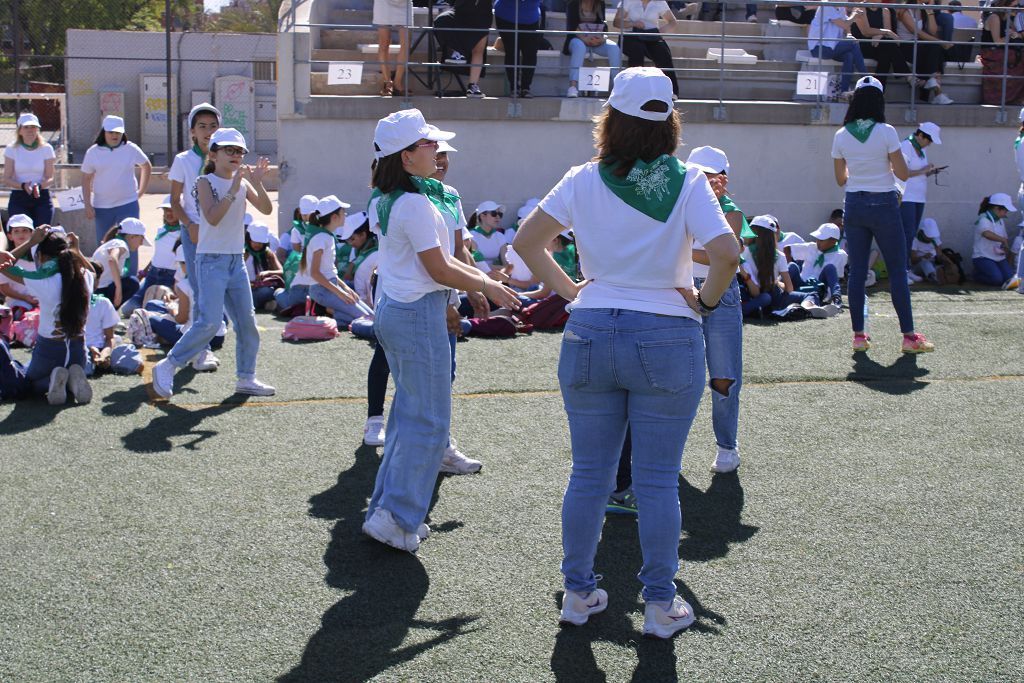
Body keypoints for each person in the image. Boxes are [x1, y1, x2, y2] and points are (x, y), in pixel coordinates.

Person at [513, 68, 740, 638]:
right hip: (667, 333)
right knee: (658, 480)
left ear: (610, 118)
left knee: (588, 474)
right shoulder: (688, 181)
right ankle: (660, 606)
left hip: (589, 330)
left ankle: (578, 593)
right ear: (670, 122)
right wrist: (705, 305)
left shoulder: (580, 179)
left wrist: (571, 292)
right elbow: (728, 254)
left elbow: (525, 243)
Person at [362, 109, 519, 553]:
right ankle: (396, 517)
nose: (437, 149)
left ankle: (389, 512)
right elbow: (440, 266)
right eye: (428, 143)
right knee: (428, 421)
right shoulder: (413, 201)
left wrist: (478, 285)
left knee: (409, 417)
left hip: (399, 309)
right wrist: (487, 283)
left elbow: (439, 261)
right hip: (415, 313)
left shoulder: (397, 196)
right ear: (406, 156)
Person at [151, 128, 275, 400]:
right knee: (208, 322)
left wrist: (257, 182)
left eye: (239, 151)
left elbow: (266, 209)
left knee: (247, 323)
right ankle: (168, 364)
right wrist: (234, 188)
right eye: (229, 150)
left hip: (235, 260)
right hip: (211, 261)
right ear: (214, 154)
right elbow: (212, 217)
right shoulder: (204, 182)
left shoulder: (241, 183)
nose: (236, 156)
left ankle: (246, 377)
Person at [832, 75, 933, 353]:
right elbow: (902, 173)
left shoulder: (841, 135)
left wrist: (860, 168)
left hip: (854, 204)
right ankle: (909, 337)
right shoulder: (887, 131)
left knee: (857, 273)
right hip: (885, 204)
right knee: (898, 270)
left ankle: (859, 336)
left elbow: (841, 178)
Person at [684, 144, 750, 475]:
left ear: (723, 178)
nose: (704, 180)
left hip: (722, 294)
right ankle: (668, 447)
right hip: (681, 292)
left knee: (723, 375)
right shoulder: (678, 202)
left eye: (711, 175)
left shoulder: (731, 211)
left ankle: (727, 446)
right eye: (698, 174)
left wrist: (682, 253)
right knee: (678, 375)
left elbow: (721, 257)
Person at [0, 227, 93, 405]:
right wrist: (77, 250)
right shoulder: (85, 276)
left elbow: (2, 264)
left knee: (28, 383)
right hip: (78, 351)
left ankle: (54, 381)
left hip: (50, 350)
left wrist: (31, 242)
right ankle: (72, 380)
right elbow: (93, 272)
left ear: (41, 256)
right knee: (65, 367)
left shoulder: (41, 279)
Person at [168, 103, 221, 371]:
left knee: (217, 292)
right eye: (202, 126)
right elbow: (174, 199)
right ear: (192, 132)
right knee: (200, 292)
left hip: (221, 235)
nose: (208, 131)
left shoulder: (225, 158)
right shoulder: (183, 161)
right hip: (195, 234)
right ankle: (202, 350)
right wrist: (189, 224)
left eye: (213, 126)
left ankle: (206, 338)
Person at [81, 114, 152, 273]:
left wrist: (141, 191)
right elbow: (86, 179)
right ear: (104, 132)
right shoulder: (93, 152)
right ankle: (106, 280)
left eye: (118, 133)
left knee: (131, 243)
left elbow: (146, 166)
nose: (114, 136)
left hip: (127, 205)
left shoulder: (131, 149)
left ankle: (131, 278)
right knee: (105, 245)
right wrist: (87, 204)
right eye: (111, 132)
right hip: (102, 207)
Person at [300, 195, 374, 326]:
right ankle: (327, 312)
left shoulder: (325, 235)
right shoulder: (321, 238)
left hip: (331, 286)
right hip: (322, 289)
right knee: (366, 319)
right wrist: (340, 293)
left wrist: (345, 287)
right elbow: (315, 273)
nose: (345, 215)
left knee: (370, 316)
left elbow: (329, 271)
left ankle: (330, 314)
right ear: (334, 217)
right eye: (343, 212)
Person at [741, 214, 815, 314]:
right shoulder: (780, 255)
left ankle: (751, 310)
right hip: (776, 298)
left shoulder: (743, 252)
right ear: (773, 235)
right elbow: (789, 289)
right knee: (811, 294)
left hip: (752, 296)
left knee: (765, 298)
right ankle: (806, 308)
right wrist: (777, 283)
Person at [121, 195, 181, 316]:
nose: (168, 213)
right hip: (152, 275)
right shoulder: (161, 230)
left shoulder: (184, 233)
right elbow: (157, 255)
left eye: (172, 210)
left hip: (171, 277)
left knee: (158, 311)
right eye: (165, 210)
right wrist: (143, 273)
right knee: (128, 309)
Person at [899, 122, 943, 279]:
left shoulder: (921, 150)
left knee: (910, 234)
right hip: (907, 197)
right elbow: (902, 172)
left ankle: (906, 269)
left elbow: (919, 173)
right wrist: (924, 170)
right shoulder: (906, 146)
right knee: (906, 234)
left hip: (918, 197)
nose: (930, 144)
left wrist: (929, 172)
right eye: (929, 140)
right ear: (920, 135)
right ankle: (901, 271)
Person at [614, 0, 680, 96]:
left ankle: (671, 92)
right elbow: (616, 22)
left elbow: (672, 22)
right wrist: (634, 24)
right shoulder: (628, 1)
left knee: (664, 53)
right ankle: (634, 90)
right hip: (630, 35)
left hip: (651, 36)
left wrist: (658, 32)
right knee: (637, 51)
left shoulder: (659, 2)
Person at [896, 0, 954, 105]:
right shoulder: (904, 11)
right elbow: (917, 33)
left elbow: (933, 31)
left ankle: (934, 86)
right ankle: (936, 90)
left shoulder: (923, 10)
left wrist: (930, 11)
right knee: (936, 47)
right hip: (906, 47)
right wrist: (940, 42)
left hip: (919, 46)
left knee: (935, 49)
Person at [3, 113, 56, 226]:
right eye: (26, 127)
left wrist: (39, 186)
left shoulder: (47, 148)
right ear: (19, 130)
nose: (30, 130)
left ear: (37, 129)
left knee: (41, 234)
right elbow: (6, 178)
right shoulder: (11, 149)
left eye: (33, 127)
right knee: (21, 235)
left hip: (42, 196)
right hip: (19, 197)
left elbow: (50, 177)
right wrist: (23, 186)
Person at [433, 0, 492, 98]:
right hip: (460, 11)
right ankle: (455, 51)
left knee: (478, 50)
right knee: (441, 20)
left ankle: (473, 86)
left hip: (483, 13)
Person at [807, 0, 866, 100]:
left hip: (831, 47)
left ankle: (844, 92)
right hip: (819, 48)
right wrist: (854, 15)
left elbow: (847, 25)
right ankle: (866, 80)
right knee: (853, 44)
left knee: (849, 55)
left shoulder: (841, 7)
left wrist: (849, 35)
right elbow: (844, 24)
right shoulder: (826, 6)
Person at [850, 1, 916, 89]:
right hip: (864, 44)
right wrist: (885, 32)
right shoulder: (860, 8)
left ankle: (877, 91)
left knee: (886, 54)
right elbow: (866, 32)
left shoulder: (885, 10)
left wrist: (880, 35)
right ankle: (907, 75)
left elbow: (887, 31)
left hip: (880, 44)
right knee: (888, 46)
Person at [564, 0, 622, 98]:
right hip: (577, 38)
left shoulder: (600, 4)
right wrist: (585, 39)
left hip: (596, 40)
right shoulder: (573, 3)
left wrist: (601, 38)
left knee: (614, 48)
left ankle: (617, 88)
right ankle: (573, 87)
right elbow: (571, 27)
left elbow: (603, 25)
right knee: (579, 47)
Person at [91, 218, 150, 308]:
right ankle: (110, 312)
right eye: (141, 239)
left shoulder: (114, 242)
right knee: (133, 283)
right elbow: (112, 259)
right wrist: (118, 289)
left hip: (95, 290)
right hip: (100, 291)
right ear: (132, 237)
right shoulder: (121, 243)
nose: (141, 243)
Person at [494, 0, 543, 97]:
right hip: (506, 16)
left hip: (531, 18)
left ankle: (526, 88)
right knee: (512, 51)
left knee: (530, 53)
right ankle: (514, 87)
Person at [980, 0, 1024, 105]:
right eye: (1015, 6)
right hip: (992, 52)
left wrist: (1016, 35)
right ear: (1006, 5)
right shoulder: (994, 17)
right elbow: (998, 42)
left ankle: (1018, 98)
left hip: (1005, 50)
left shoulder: (1008, 18)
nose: (1018, 8)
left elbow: (1017, 34)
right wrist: (1010, 35)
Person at [971, 193, 1017, 286]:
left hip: (998, 257)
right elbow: (986, 234)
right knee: (997, 279)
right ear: (996, 208)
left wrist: (1004, 246)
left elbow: (1004, 237)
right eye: (1005, 210)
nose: (1006, 212)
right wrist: (1003, 240)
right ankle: (976, 275)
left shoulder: (1000, 220)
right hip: (983, 257)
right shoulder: (983, 219)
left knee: (1010, 279)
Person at [0, 214, 38, 317]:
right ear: (9, 236)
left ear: (32, 234)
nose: (21, 234)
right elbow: (4, 288)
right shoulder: (5, 259)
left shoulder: (41, 257)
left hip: (41, 302)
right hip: (18, 303)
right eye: (16, 231)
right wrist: (25, 298)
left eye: (25, 230)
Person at [373, 0, 413, 96]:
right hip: (384, 3)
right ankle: (387, 82)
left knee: (406, 42)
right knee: (384, 42)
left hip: (405, 3)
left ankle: (397, 83)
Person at [244, 222, 284, 311]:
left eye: (260, 242)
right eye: (255, 241)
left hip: (263, 288)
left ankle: (262, 304)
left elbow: (282, 271)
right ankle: (265, 305)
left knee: (268, 291)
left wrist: (268, 273)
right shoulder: (244, 253)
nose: (258, 244)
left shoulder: (268, 253)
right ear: (248, 239)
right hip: (246, 289)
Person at [909, 217, 953, 283]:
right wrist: (923, 257)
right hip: (919, 264)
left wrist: (944, 259)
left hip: (933, 262)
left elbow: (939, 254)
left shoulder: (935, 239)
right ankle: (933, 276)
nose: (931, 238)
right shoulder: (915, 240)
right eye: (929, 236)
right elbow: (913, 261)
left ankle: (939, 275)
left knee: (940, 266)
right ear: (922, 232)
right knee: (925, 263)